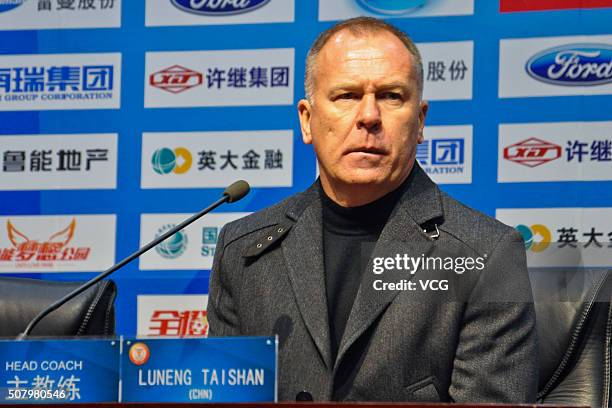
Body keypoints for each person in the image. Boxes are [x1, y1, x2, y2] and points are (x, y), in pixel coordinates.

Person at [207, 17, 538, 402]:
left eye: (391, 96)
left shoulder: (485, 254)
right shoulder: (243, 250)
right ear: (307, 119)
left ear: (420, 121)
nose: (368, 116)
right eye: (346, 95)